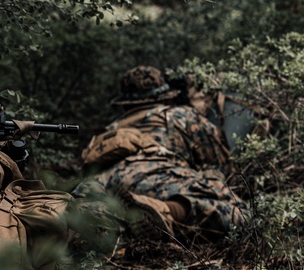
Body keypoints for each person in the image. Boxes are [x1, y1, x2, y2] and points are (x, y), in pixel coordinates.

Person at [80, 66, 249, 241]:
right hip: (159, 177)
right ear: (165, 97)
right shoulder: (181, 114)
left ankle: (115, 224)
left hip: (104, 183)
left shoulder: (111, 129)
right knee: (242, 215)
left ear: (125, 103)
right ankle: (165, 210)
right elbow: (222, 162)